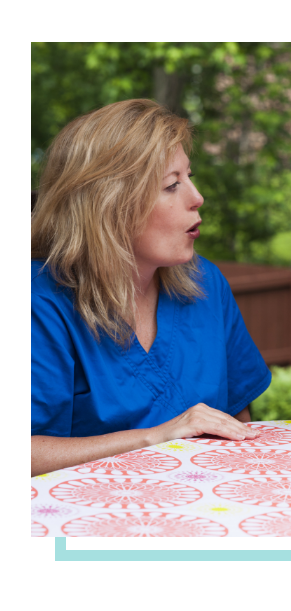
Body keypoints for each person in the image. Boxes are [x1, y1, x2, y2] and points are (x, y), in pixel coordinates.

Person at [31, 99, 270, 477]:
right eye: (172, 185)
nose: (196, 197)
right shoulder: (42, 301)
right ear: (109, 206)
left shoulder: (207, 283)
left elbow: (237, 421)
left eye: (189, 177)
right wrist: (158, 436)